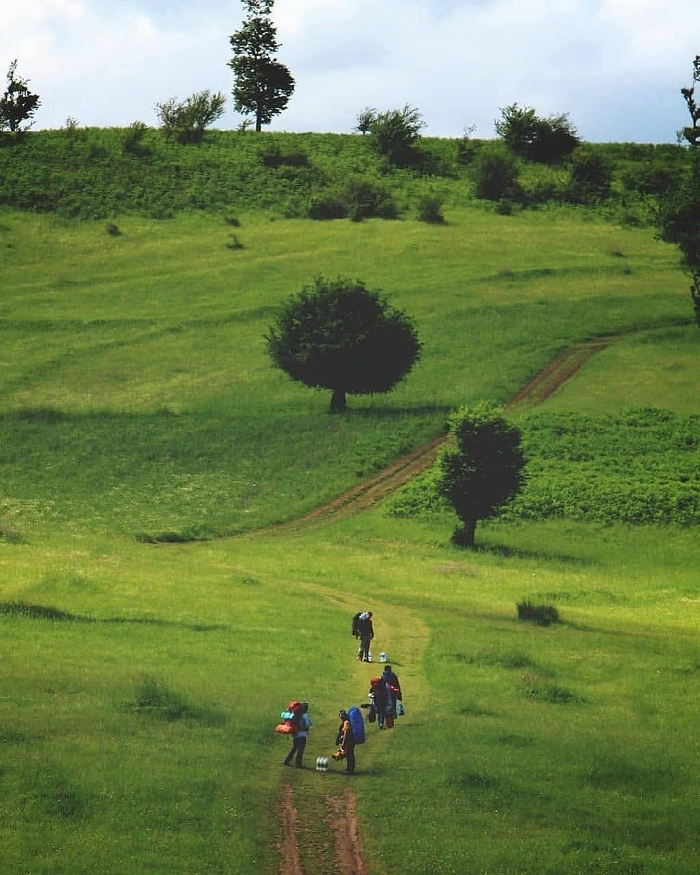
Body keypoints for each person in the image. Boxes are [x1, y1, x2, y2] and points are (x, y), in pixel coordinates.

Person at [283, 702, 311, 768]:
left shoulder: (295, 714)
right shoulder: (305, 716)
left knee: (294, 748)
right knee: (300, 750)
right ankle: (298, 764)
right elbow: (307, 725)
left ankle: (286, 761)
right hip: (302, 735)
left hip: (295, 734)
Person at [335, 709, 356, 774]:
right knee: (349, 755)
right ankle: (349, 769)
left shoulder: (346, 723)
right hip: (350, 741)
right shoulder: (347, 721)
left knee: (349, 755)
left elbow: (346, 734)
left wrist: (343, 744)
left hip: (349, 741)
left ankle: (350, 770)